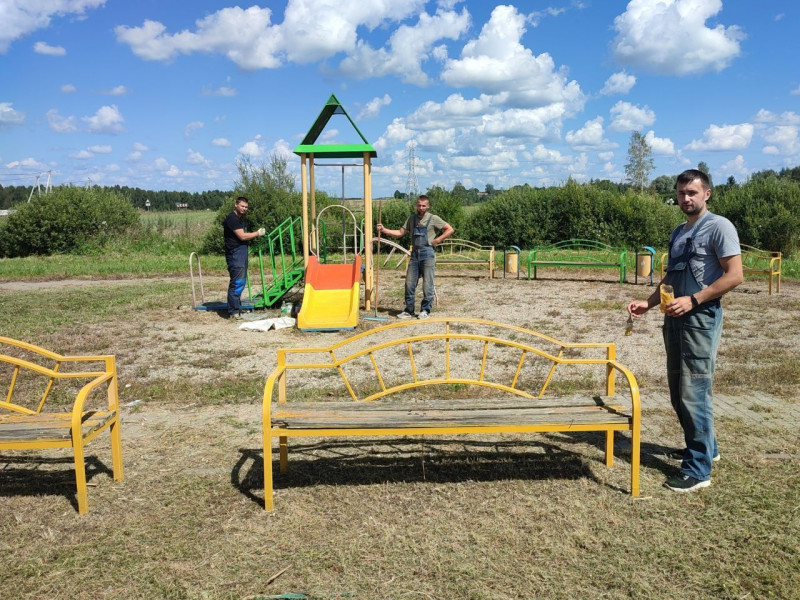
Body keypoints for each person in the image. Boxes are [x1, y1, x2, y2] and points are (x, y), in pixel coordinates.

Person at [628, 169, 743, 493]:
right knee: (679, 391)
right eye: (681, 193)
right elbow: (670, 279)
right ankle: (707, 449)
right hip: (674, 318)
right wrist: (648, 303)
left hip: (700, 318)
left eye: (692, 192)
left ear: (707, 193)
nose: (686, 198)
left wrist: (694, 300)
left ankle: (698, 470)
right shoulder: (679, 231)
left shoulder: (719, 226)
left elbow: (735, 275)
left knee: (694, 392)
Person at [377, 195, 454, 319]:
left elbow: (449, 229)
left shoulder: (433, 218)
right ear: (416, 205)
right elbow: (400, 233)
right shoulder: (411, 219)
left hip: (428, 254)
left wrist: (437, 240)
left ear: (428, 206)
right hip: (414, 254)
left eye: (424, 205)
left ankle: (425, 310)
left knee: (427, 284)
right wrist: (384, 230)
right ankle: (409, 310)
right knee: (409, 283)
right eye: (419, 205)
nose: (421, 208)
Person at [223, 196, 265, 319]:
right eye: (242, 206)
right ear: (236, 205)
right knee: (237, 282)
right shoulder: (232, 218)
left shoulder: (240, 219)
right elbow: (242, 236)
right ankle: (233, 312)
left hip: (241, 252)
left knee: (241, 282)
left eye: (246, 207)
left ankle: (237, 307)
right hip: (235, 254)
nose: (244, 209)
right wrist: (257, 233)